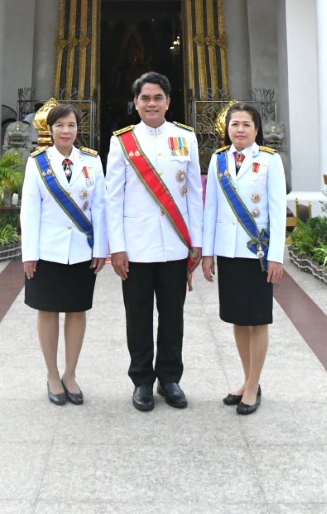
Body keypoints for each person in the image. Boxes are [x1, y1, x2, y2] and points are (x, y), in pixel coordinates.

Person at [105, 71, 202, 412]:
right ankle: (142, 380)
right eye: (145, 98)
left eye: (157, 97)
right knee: (138, 316)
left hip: (175, 244)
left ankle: (170, 378)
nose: (151, 104)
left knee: (173, 316)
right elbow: (113, 199)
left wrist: (197, 242)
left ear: (168, 102)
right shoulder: (122, 141)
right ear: (135, 103)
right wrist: (116, 247)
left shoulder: (185, 137)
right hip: (136, 247)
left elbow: (194, 194)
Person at [20, 103, 107, 405]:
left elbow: (100, 208)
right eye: (59, 125)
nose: (65, 131)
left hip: (82, 250)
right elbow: (30, 211)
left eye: (71, 125)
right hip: (47, 252)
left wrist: (101, 249)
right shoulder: (38, 163)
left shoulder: (92, 162)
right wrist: (29, 254)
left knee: (76, 310)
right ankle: (52, 374)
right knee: (47, 311)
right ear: (50, 129)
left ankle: (70, 373)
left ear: (78, 129)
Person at [202, 102, 286, 415]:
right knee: (237, 318)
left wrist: (276, 256)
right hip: (228, 250)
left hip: (257, 252)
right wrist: (208, 253)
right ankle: (248, 379)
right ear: (227, 129)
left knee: (258, 319)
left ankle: (253, 386)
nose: (239, 130)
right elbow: (211, 208)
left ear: (256, 129)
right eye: (234, 124)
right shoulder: (218, 159)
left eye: (246, 124)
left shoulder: (269, 160)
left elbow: (277, 211)